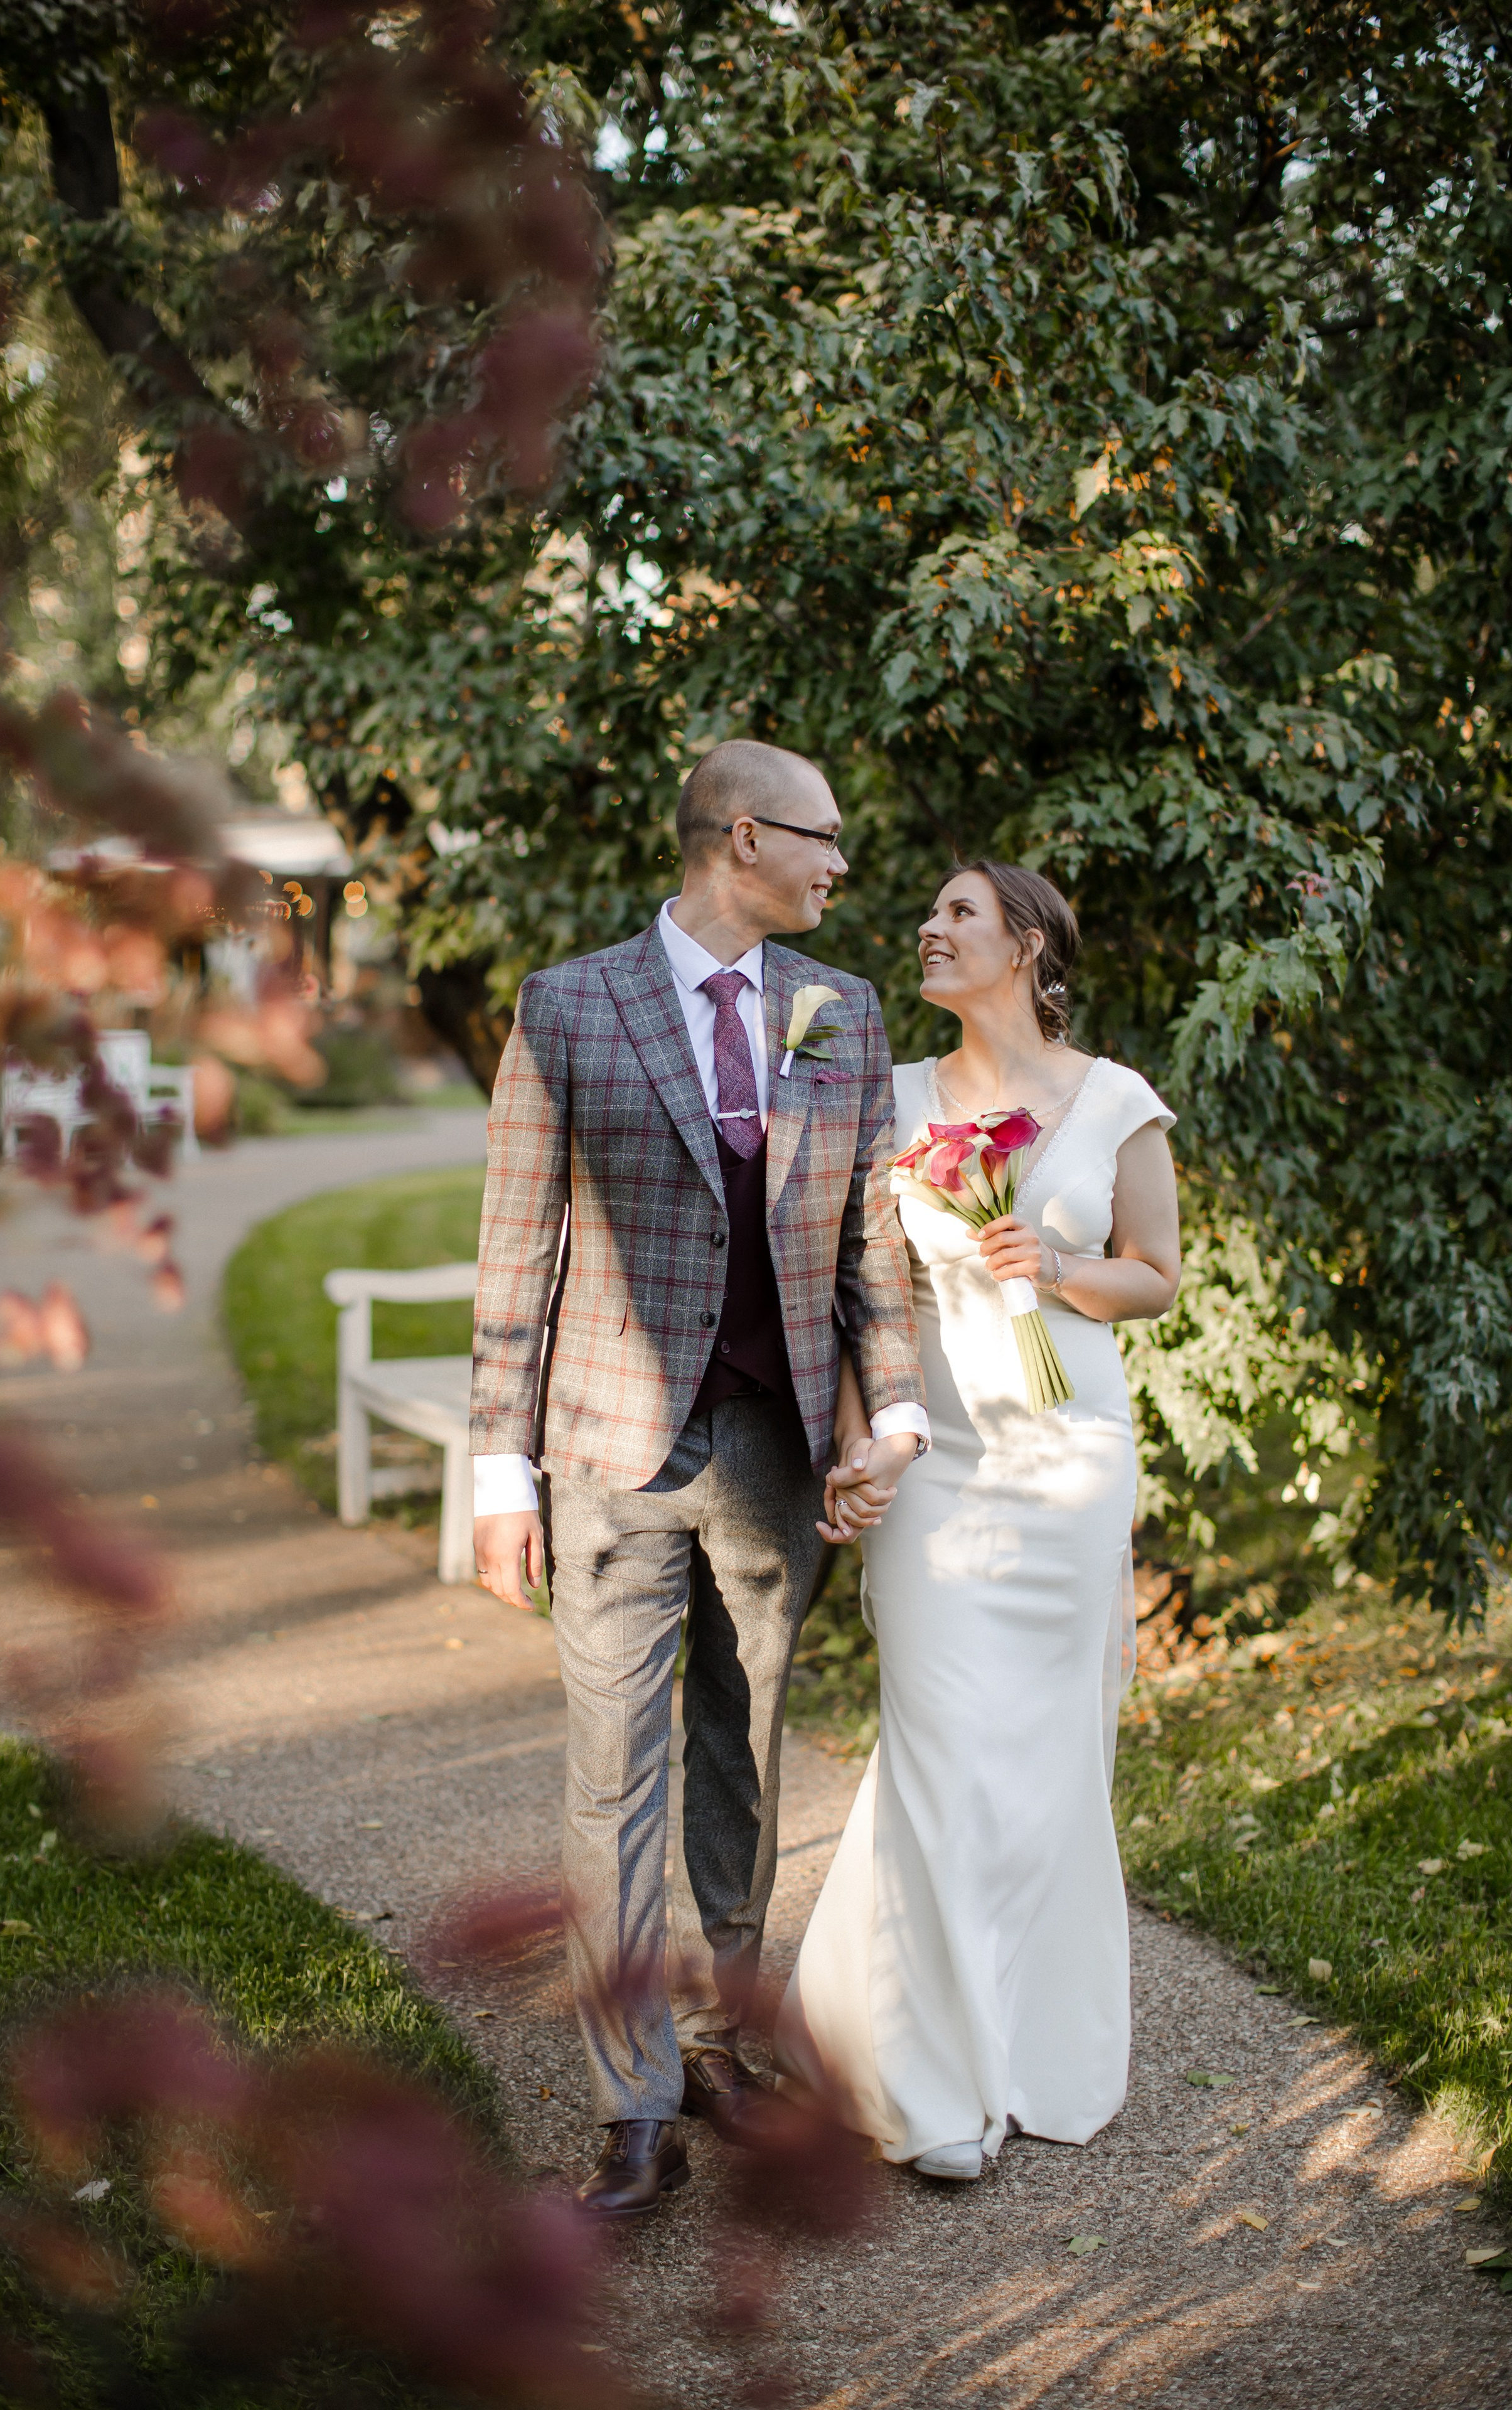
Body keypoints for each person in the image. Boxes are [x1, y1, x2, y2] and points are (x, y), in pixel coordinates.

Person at [469, 739, 929, 2217]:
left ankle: (724, 2034)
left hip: (773, 1449)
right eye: (820, 836)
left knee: (746, 1749)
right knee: (612, 1776)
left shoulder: (839, 1010)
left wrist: (890, 1413)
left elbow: (868, 1243)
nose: (838, 864)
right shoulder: (569, 1003)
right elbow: (515, 1248)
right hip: (610, 1450)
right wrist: (498, 1473)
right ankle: (634, 2108)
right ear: (742, 838)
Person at [775, 860, 1181, 2181]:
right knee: (940, 1745)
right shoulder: (888, 1098)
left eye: (959, 914)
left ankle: (1033, 2048)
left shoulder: (1115, 1100)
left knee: (1048, 1758)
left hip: (1071, 1459)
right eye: (932, 914)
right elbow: (855, 1291)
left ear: (1027, 943)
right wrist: (860, 1442)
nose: (928, 930)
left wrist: (1056, 1268)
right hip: (936, 1461)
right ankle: (930, 2082)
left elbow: (1156, 1278)